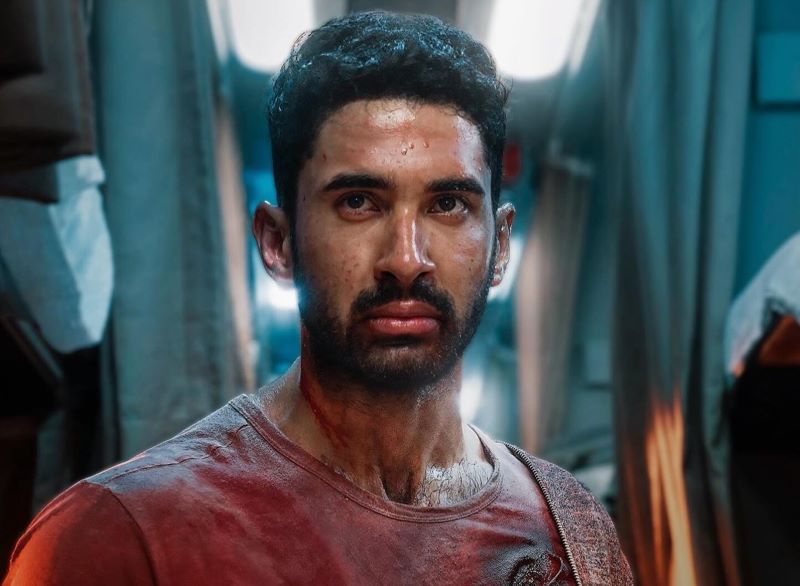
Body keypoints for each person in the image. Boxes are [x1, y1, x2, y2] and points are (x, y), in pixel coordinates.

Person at [5, 11, 632, 585]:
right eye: (358, 202)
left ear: (499, 246)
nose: (406, 259)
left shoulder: (571, 530)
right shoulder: (116, 537)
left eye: (447, 204)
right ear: (278, 243)